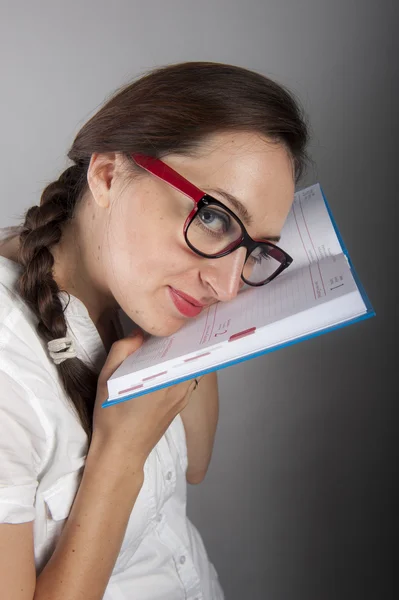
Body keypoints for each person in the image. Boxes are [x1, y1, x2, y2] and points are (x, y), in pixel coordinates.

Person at [0, 61, 309, 600]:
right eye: (215, 218)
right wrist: (119, 455)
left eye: (254, 250)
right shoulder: (10, 369)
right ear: (108, 175)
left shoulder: (141, 296)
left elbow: (195, 462)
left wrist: (195, 327)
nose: (230, 286)